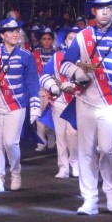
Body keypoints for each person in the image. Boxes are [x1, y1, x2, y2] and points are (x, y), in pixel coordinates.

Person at [56, 0, 112, 215]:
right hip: (85, 100)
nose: (105, 12)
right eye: (100, 8)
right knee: (85, 152)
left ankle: (111, 190)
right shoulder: (83, 36)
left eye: (109, 8)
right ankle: (90, 199)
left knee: (107, 148)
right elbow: (64, 63)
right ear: (93, 11)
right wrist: (76, 72)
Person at [0, 17, 41, 193]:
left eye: (17, 30)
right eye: (11, 31)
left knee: (11, 142)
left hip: (17, 103)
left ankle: (15, 172)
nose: (15, 34)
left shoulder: (26, 56)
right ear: (3, 35)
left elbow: (32, 82)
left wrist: (35, 104)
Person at [39, 28, 81, 178]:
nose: (74, 41)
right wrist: (53, 86)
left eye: (77, 38)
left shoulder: (86, 58)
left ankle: (75, 162)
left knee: (73, 134)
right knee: (61, 135)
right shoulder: (57, 57)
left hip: (78, 101)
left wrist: (75, 87)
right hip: (60, 101)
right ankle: (63, 167)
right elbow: (44, 75)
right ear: (65, 41)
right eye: (71, 38)